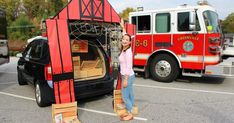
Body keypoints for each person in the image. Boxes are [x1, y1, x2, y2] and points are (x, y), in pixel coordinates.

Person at [118, 19, 135, 121]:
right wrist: (122, 27)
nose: (124, 41)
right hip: (128, 76)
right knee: (130, 94)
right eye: (123, 39)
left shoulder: (128, 52)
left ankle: (130, 114)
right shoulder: (124, 48)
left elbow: (129, 67)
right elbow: (125, 34)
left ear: (129, 42)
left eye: (126, 40)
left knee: (125, 96)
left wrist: (125, 79)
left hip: (127, 76)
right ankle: (131, 110)